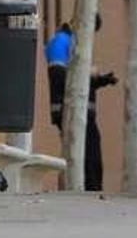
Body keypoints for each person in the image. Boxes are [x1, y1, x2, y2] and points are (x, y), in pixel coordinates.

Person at [44, 14, 118, 191]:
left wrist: (99, 80)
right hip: (70, 112)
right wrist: (88, 74)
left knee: (91, 155)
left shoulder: (74, 45)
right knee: (86, 156)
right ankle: (87, 190)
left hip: (83, 112)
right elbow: (59, 77)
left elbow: (77, 81)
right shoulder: (60, 42)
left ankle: (91, 189)